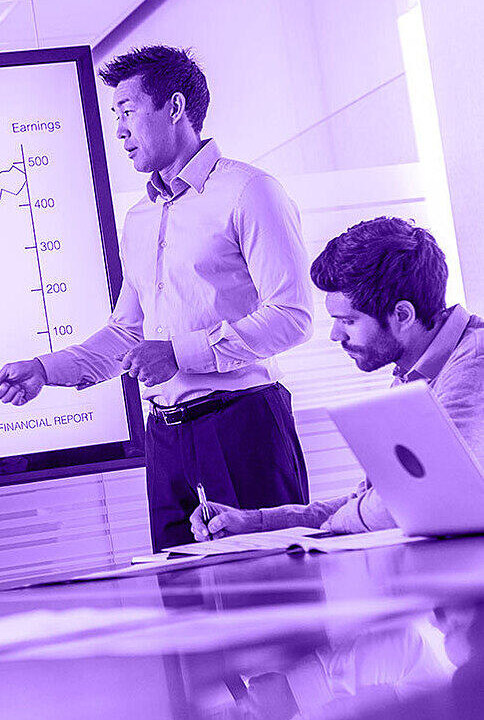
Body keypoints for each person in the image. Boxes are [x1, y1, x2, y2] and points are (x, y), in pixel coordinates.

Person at [0, 45, 313, 551]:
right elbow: (127, 335)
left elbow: (292, 317)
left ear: (175, 108)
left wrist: (179, 353)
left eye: (128, 111)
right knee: (181, 604)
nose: (118, 130)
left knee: (273, 596)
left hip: (244, 424)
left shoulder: (250, 192)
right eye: (115, 115)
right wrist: (43, 369)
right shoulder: (140, 218)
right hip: (164, 439)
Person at [192, 217, 484, 538]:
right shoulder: (414, 372)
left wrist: (330, 527)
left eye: (348, 320)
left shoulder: (474, 367)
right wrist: (256, 522)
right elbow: (378, 500)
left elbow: (415, 501)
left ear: (402, 315)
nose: (335, 335)